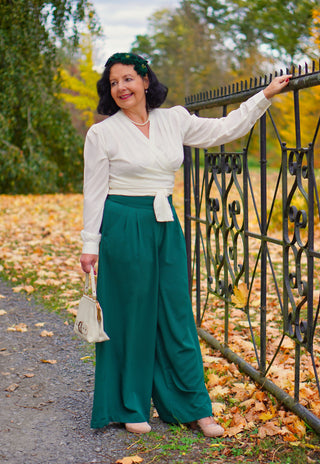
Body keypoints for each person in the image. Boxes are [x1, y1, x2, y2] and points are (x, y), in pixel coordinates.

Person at [80, 52, 291, 436]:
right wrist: (89, 244)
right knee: (131, 317)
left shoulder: (173, 119)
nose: (121, 88)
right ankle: (130, 404)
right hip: (124, 226)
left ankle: (194, 406)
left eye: (128, 79)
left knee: (177, 315)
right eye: (113, 83)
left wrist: (264, 96)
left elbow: (225, 129)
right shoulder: (103, 133)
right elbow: (94, 193)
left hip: (165, 224)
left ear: (146, 81)